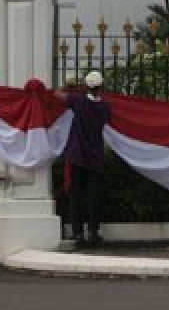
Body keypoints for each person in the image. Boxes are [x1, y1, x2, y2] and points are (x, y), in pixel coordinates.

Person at [56, 71, 111, 247]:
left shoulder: (78, 101)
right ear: (101, 87)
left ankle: (78, 233)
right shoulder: (105, 108)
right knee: (93, 196)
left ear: (86, 86)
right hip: (95, 155)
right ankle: (93, 232)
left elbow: (57, 94)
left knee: (76, 195)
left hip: (77, 155)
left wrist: (69, 86)